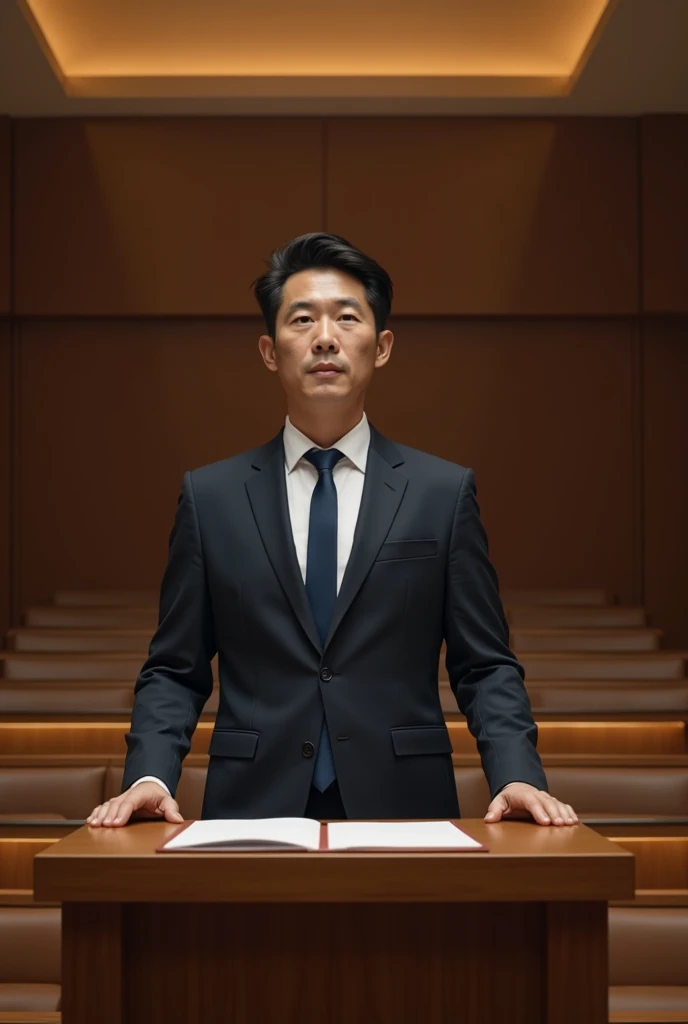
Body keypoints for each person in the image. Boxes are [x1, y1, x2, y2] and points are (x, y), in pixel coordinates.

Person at [87, 232, 578, 829]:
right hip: (253, 807)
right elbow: (174, 667)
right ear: (269, 350)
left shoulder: (441, 494)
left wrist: (517, 773)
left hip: (404, 808)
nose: (324, 337)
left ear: (383, 345)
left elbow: (485, 665)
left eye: (347, 317)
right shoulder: (210, 498)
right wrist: (150, 775)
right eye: (302, 319)